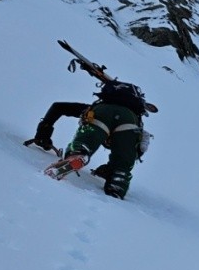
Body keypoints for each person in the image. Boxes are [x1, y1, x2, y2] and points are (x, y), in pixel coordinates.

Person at [25, 48, 157, 199]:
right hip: (130, 123)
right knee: (123, 164)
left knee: (84, 144)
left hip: (100, 113)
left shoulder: (100, 106)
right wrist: (113, 168)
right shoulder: (135, 119)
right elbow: (136, 150)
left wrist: (43, 134)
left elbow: (58, 107)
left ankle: (78, 156)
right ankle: (117, 184)